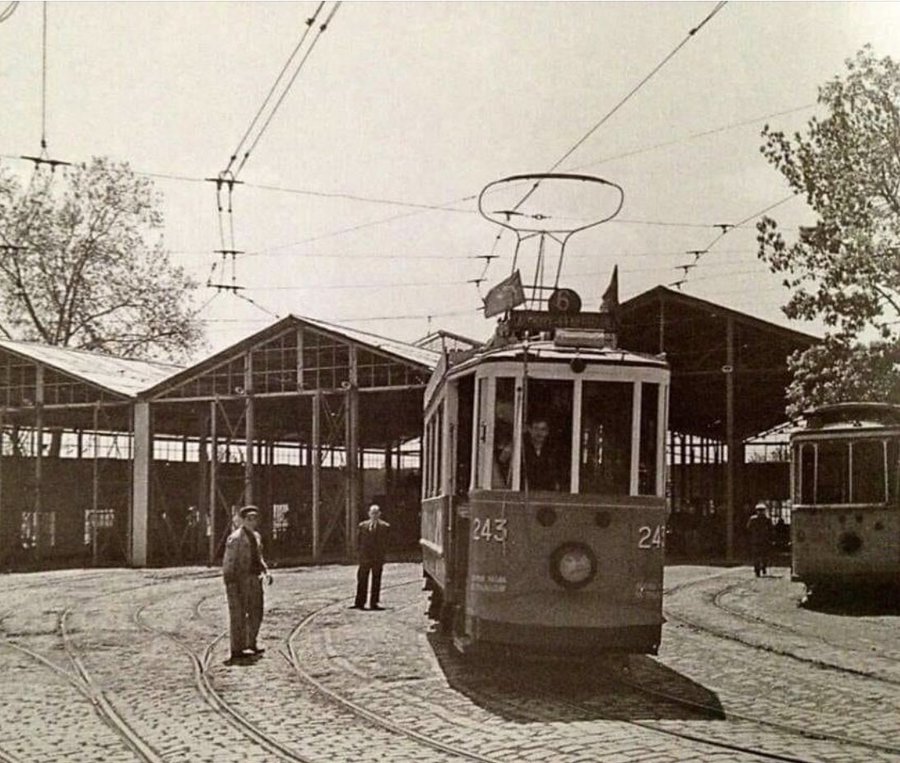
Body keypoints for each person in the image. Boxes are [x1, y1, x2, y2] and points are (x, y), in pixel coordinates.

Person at [222, 505, 272, 665]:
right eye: (249, 518)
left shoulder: (256, 536)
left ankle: (251, 643)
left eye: (255, 518)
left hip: (255, 579)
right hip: (239, 580)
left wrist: (266, 571)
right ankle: (237, 649)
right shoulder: (235, 538)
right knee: (238, 615)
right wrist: (230, 582)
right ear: (242, 520)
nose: (253, 521)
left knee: (257, 612)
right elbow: (229, 561)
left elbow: (259, 556)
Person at [352, 504, 390, 610]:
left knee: (376, 581)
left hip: (377, 558)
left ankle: (374, 603)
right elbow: (359, 541)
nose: (374, 515)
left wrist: (383, 556)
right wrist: (359, 555)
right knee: (362, 580)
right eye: (372, 513)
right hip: (365, 558)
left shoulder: (385, 527)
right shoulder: (362, 526)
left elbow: (386, 543)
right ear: (369, 514)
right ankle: (359, 602)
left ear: (379, 514)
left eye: (376, 513)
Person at [523, 416, 561, 491]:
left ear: (547, 432)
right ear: (529, 430)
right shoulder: (522, 449)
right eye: (536, 429)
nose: (539, 433)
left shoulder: (553, 451)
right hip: (526, 492)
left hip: (548, 493)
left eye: (543, 429)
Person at [746, 502, 772, 577]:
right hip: (764, 540)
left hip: (756, 540)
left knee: (757, 555)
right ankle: (763, 567)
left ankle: (757, 569)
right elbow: (771, 529)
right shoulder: (767, 519)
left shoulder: (753, 519)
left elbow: (748, 528)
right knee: (764, 555)